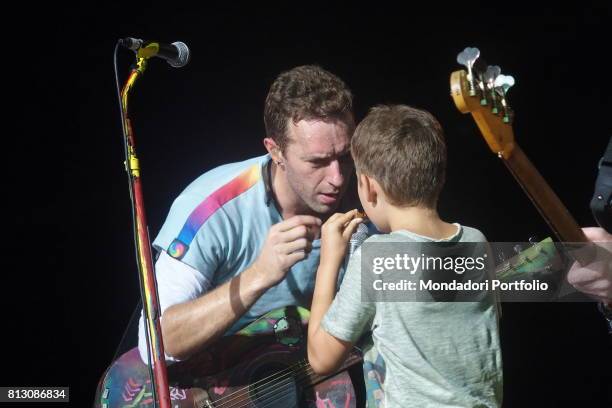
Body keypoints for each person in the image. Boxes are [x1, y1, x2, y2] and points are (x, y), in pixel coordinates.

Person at [138, 65, 357, 362]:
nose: (338, 178)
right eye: (317, 162)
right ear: (276, 151)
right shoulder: (213, 209)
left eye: (344, 157)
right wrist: (259, 275)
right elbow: (155, 344)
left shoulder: (370, 196)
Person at [307, 105, 503, 407]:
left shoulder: (378, 256)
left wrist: (328, 263)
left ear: (369, 188)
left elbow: (321, 358)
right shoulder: (477, 242)